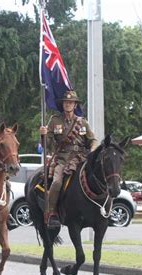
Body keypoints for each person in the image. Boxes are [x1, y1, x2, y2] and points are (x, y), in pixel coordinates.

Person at [40, 90, 96, 228]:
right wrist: (43, 135)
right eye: (66, 102)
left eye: (71, 102)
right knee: (57, 183)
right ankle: (52, 212)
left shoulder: (82, 122)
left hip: (81, 158)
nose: (68, 104)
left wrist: (93, 151)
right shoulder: (55, 120)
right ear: (63, 104)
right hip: (62, 159)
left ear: (75, 105)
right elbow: (46, 144)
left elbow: (93, 140)